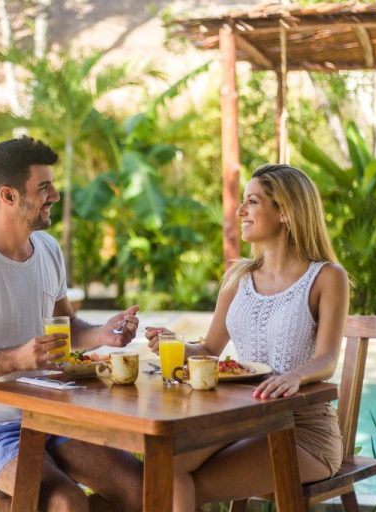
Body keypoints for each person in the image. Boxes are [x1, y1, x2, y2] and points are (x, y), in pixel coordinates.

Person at [0, 136, 143, 512]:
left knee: (141, 489)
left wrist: (101, 334)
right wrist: (17, 358)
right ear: (8, 196)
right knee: (66, 503)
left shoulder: (48, 250)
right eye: (44, 187)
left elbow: (66, 327)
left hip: (50, 417)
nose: (55, 195)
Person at [145, 163, 349, 511]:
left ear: (284, 211)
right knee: (164, 465)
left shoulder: (327, 277)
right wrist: (174, 344)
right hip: (238, 421)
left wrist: (295, 375)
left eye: (251, 202)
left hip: (301, 430)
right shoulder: (239, 277)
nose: (240, 211)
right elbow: (209, 349)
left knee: (180, 478)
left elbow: (327, 360)